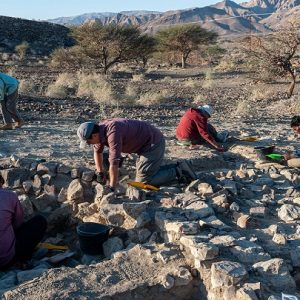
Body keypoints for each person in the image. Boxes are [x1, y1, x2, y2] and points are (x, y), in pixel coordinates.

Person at [77, 118, 197, 190]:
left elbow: (114, 162)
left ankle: (179, 170)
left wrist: (112, 188)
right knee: (104, 161)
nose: (88, 144)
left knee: (143, 182)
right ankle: (152, 167)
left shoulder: (112, 133)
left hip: (152, 143)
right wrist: (99, 172)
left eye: (88, 141)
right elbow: (97, 151)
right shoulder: (98, 131)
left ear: (94, 135)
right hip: (140, 145)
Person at [0, 176, 47, 268]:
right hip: (6, 259)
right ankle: (23, 260)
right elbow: (18, 223)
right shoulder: (10, 195)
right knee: (39, 221)